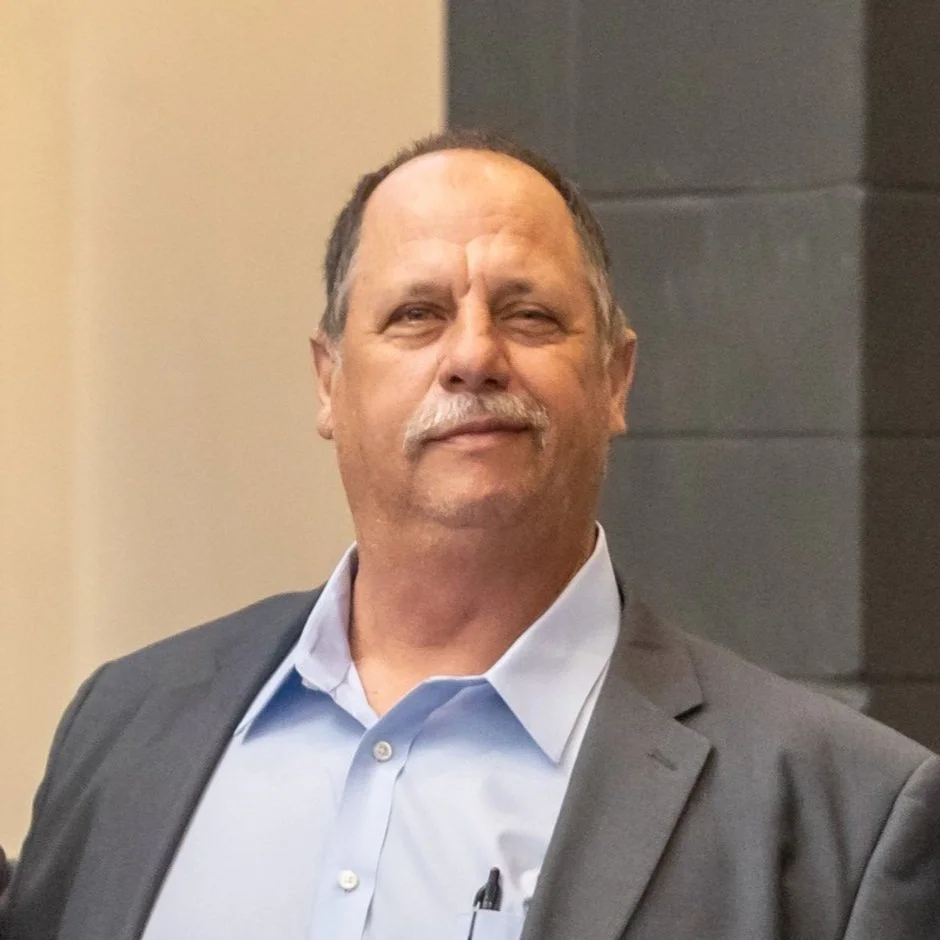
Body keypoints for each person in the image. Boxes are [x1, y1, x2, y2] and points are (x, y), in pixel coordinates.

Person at [2, 129, 939, 940]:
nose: (475, 356)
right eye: (417, 315)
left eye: (529, 314)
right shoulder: (124, 726)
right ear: (328, 382)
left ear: (615, 379)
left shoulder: (844, 820)